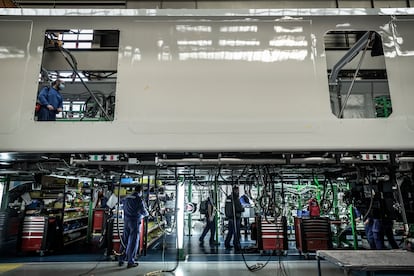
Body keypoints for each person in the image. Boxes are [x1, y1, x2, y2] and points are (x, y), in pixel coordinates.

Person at [119, 185, 149, 268]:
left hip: (126, 221)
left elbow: (122, 206)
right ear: (140, 191)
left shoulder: (127, 197)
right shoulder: (138, 199)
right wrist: (148, 214)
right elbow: (143, 211)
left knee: (124, 239)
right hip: (134, 222)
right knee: (133, 241)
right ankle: (130, 261)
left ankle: (121, 259)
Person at [224, 186, 244, 251]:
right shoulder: (235, 198)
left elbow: (227, 208)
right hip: (236, 217)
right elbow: (239, 208)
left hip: (230, 218)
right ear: (235, 191)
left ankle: (227, 243)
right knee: (237, 232)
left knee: (230, 232)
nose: (238, 192)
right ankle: (236, 245)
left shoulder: (229, 197)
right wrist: (242, 209)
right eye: (237, 190)